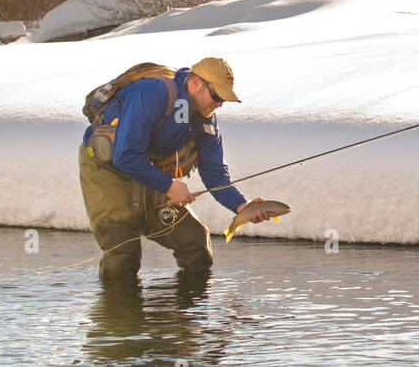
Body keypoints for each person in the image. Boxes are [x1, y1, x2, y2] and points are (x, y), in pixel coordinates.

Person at [77, 57, 274, 282]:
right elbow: (125, 156)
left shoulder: (206, 121)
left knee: (195, 242)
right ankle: (118, 314)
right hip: (106, 170)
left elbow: (215, 173)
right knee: (124, 254)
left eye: (224, 99)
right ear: (195, 83)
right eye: (217, 96)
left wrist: (243, 206)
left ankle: (184, 314)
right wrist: (169, 186)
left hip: (149, 172)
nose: (220, 104)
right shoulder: (153, 92)